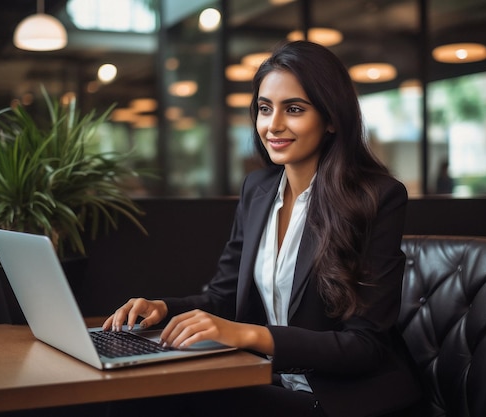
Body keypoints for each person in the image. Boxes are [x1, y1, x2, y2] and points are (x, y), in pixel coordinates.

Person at [103, 41, 422, 417]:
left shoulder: (378, 198)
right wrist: (161, 309)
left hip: (340, 398)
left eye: (295, 109)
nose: (273, 125)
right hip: (269, 379)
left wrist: (249, 334)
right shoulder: (258, 190)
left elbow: (364, 346)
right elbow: (222, 298)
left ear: (332, 118)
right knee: (140, 392)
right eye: (264, 109)